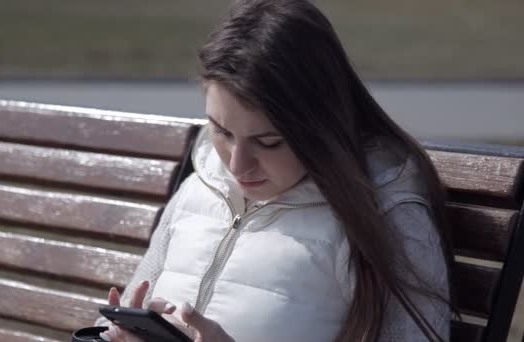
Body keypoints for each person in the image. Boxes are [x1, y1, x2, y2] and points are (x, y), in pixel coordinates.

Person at [97, 0, 455, 341]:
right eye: (221, 132)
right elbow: (122, 310)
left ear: (321, 125)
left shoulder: (389, 217)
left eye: (268, 142)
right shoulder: (200, 186)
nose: (237, 165)